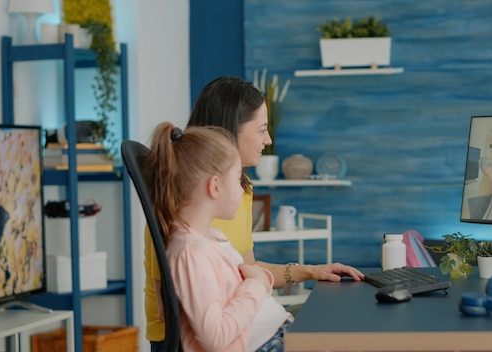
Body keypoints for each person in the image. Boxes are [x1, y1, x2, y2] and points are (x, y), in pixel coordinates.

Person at [144, 76, 365, 350]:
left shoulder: (239, 195)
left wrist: (309, 271)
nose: (268, 139)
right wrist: (256, 289)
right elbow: (175, 312)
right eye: (261, 129)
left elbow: (246, 270)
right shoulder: (177, 216)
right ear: (228, 131)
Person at [144, 123, 292, 351]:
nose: (243, 189)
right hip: (268, 343)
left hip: (277, 334)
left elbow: (240, 284)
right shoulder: (190, 253)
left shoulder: (208, 239)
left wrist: (261, 281)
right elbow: (215, 337)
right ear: (215, 186)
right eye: (237, 179)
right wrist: (257, 285)